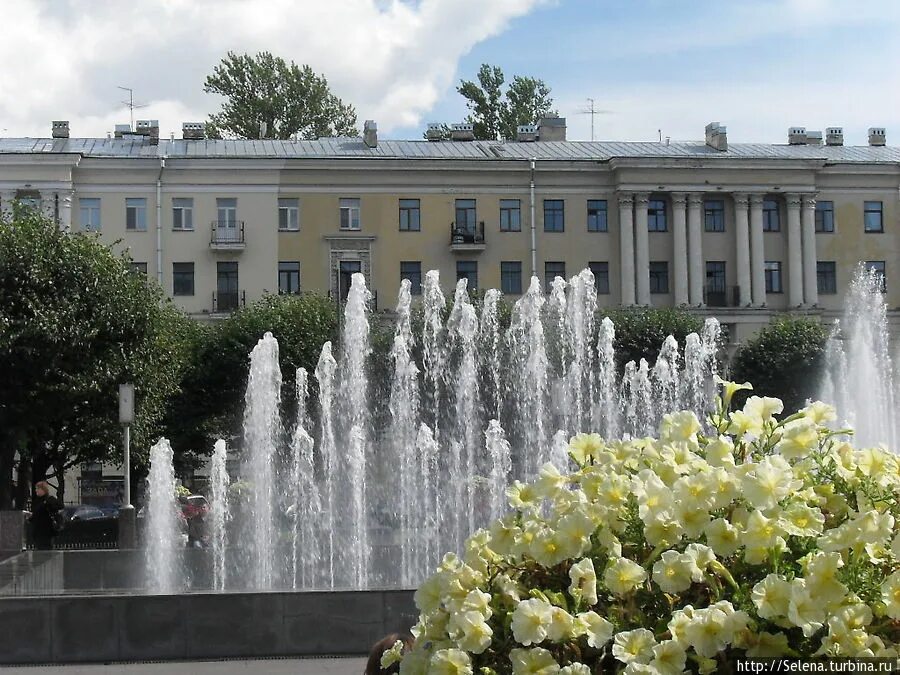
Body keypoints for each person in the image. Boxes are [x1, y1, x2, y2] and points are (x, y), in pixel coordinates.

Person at [30, 481, 62, 550]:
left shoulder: (49, 499)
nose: (36, 490)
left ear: (43, 489)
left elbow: (60, 506)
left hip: (47, 532)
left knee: (46, 551)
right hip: (38, 532)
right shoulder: (37, 501)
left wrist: (47, 504)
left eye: (37, 489)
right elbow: (35, 515)